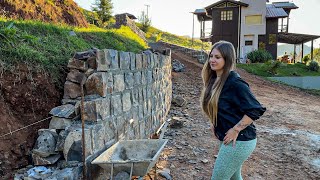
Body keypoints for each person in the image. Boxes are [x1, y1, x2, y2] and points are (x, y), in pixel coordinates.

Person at [200, 41, 266, 180]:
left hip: (240, 140)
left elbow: (255, 109)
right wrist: (214, 123)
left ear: (227, 59)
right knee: (234, 178)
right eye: (211, 56)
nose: (212, 60)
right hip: (228, 139)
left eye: (217, 57)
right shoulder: (214, 80)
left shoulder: (235, 82)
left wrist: (235, 129)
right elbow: (220, 107)